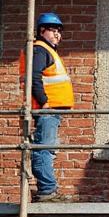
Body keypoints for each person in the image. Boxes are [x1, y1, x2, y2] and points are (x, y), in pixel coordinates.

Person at [17, 12, 73, 202]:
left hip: (52, 110)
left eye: (59, 31)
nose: (58, 34)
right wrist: (44, 102)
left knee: (47, 148)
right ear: (42, 30)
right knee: (44, 148)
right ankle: (47, 191)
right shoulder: (40, 49)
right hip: (48, 109)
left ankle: (48, 190)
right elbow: (34, 77)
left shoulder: (47, 51)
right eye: (54, 30)